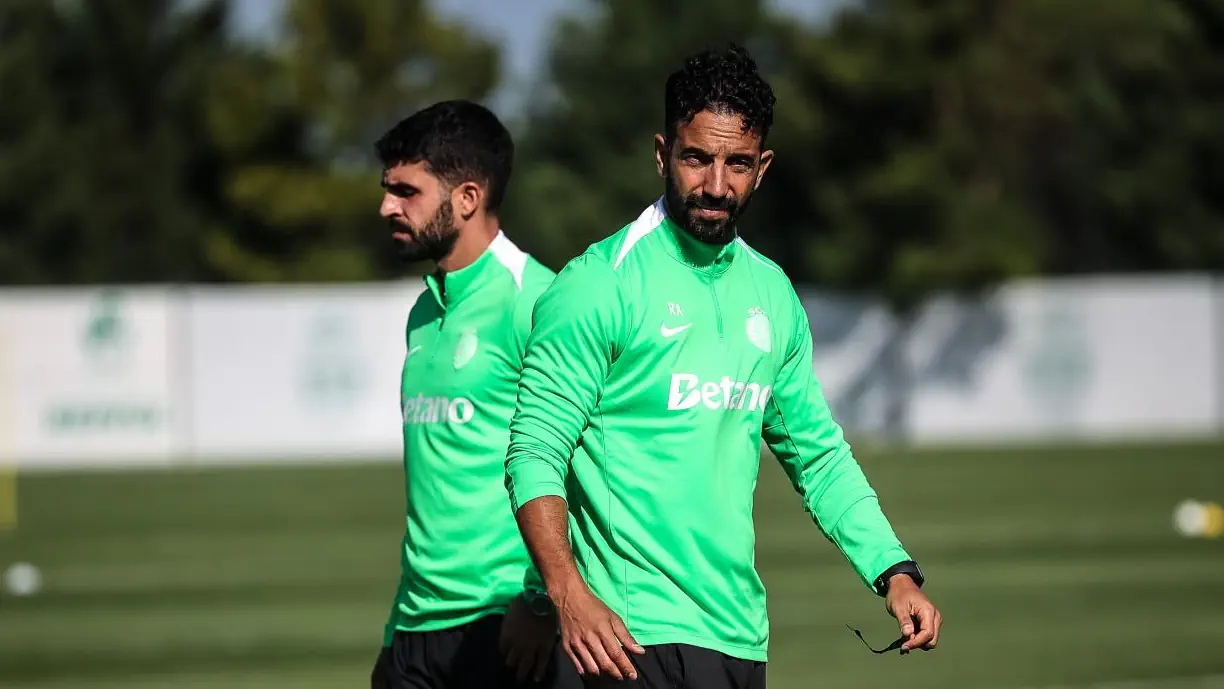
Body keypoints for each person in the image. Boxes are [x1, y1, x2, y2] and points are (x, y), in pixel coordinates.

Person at [503, 45, 943, 689]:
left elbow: (818, 458)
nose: (715, 185)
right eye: (695, 158)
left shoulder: (771, 294)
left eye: (736, 163)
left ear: (761, 167)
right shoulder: (598, 285)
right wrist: (564, 595)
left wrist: (894, 572)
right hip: (620, 642)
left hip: (734, 638)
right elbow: (534, 453)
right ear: (662, 155)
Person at [369, 99, 568, 689]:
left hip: (506, 630)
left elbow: (587, 466)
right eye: (387, 188)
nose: (386, 205)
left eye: (406, 191)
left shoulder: (539, 302)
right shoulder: (425, 308)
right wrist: (394, 636)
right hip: (412, 632)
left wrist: (539, 601)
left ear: (467, 198)